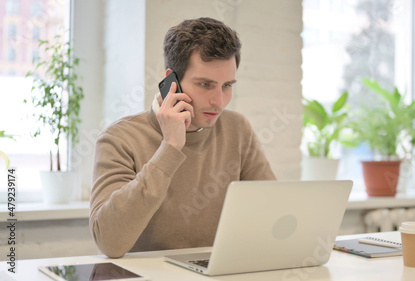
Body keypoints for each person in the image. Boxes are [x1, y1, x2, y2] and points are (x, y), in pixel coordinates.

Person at [90, 17, 276, 258]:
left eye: (227, 85)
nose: (219, 102)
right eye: (205, 84)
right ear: (172, 82)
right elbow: (110, 242)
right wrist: (170, 147)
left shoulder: (237, 129)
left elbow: (272, 214)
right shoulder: (120, 138)